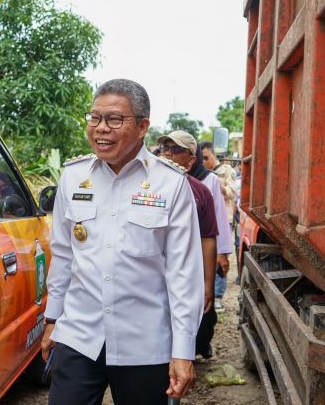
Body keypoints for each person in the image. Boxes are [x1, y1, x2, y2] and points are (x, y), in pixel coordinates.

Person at [42, 79, 203, 405]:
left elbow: (184, 274)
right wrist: (51, 320)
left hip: (144, 344)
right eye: (94, 118)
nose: (101, 129)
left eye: (115, 119)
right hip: (78, 337)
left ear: (143, 126)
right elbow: (62, 254)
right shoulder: (73, 177)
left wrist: (183, 351)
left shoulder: (170, 185)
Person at [157, 131, 219, 359]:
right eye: (164, 148)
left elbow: (208, 238)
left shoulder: (200, 191)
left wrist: (208, 284)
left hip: (185, 273)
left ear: (191, 160)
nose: (167, 154)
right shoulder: (143, 188)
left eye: (175, 150)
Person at [200, 141, 238, 305]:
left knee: (220, 255)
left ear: (214, 155)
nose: (203, 161)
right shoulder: (200, 173)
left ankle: (218, 296)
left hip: (224, 218)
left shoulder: (226, 171)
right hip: (207, 219)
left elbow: (232, 192)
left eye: (206, 157)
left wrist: (215, 184)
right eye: (201, 158)